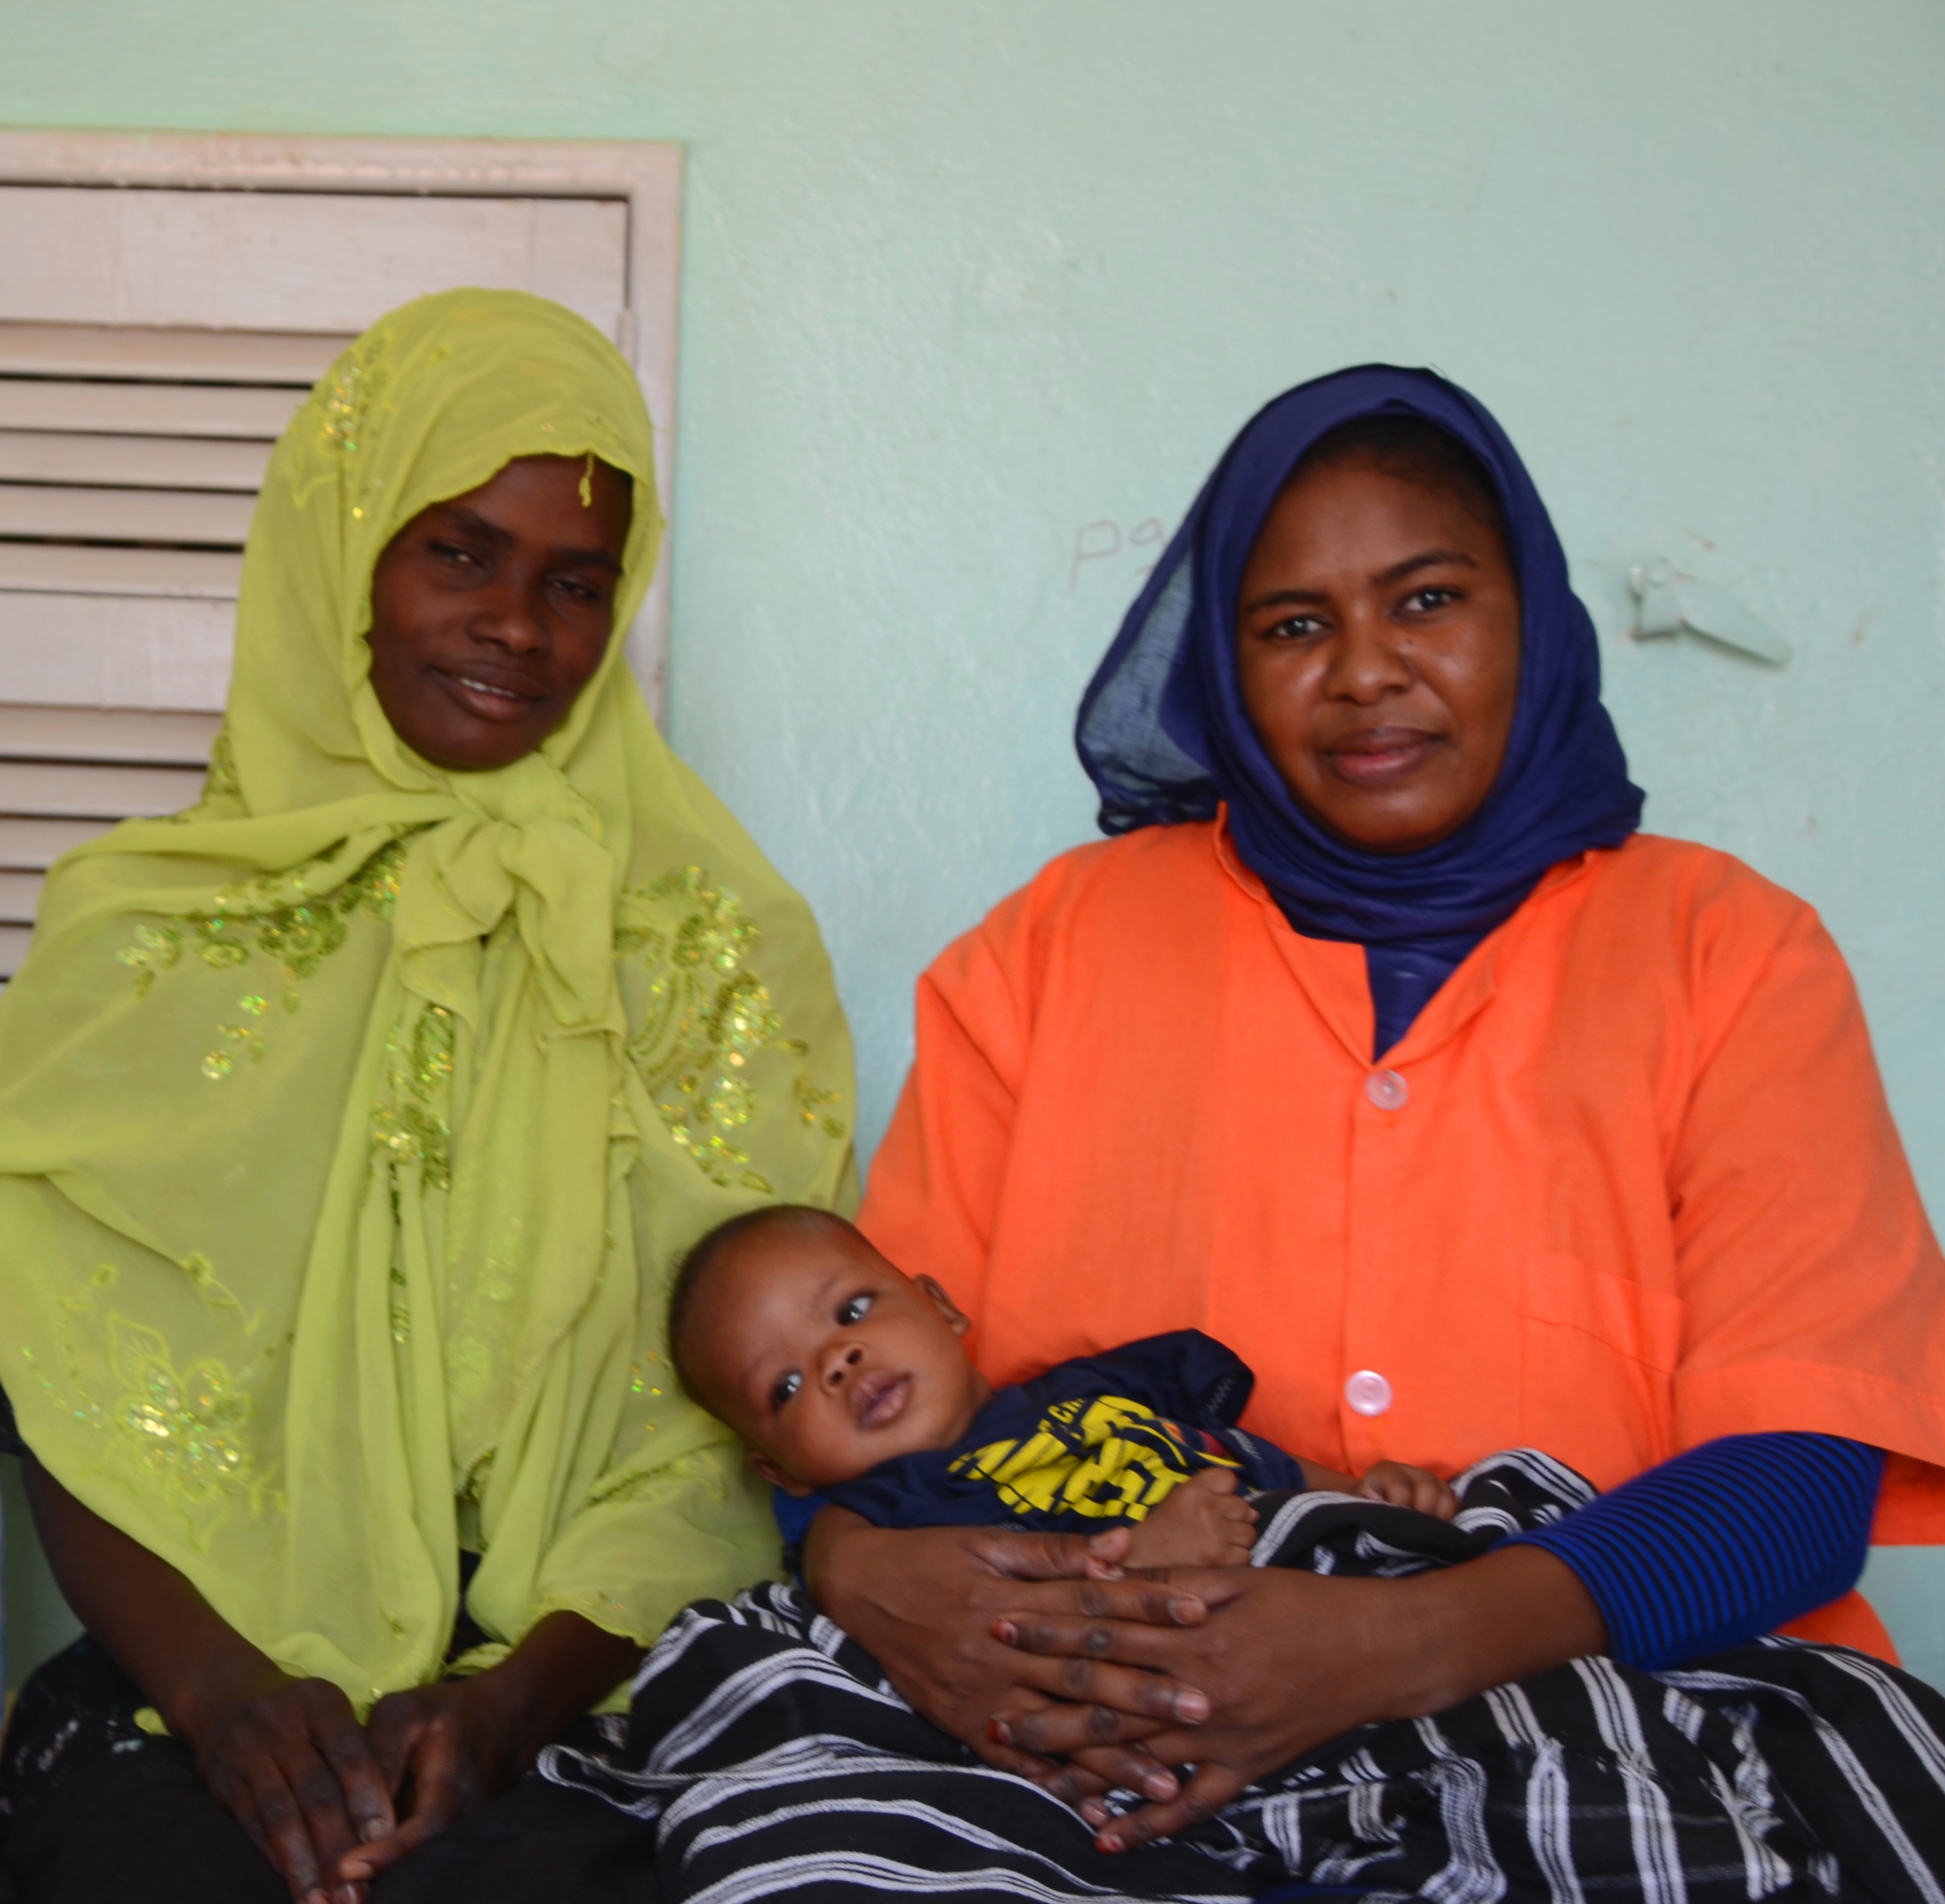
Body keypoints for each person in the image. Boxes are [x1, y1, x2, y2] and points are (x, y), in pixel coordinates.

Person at [794, 366, 1945, 1879]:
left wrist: (1395, 1641)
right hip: (1122, 1730)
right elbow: (861, 1402)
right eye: (1292, 626)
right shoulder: (1050, 952)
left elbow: (1803, 1486)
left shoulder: (1730, 952)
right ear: (1222, 665)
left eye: (1427, 601)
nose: (1364, 673)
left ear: (1530, 620)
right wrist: (866, 1569)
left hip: (1642, 1726)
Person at [0, 289, 856, 1904]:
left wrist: (508, 1702)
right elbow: (61, 1373)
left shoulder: (708, 941)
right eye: (457, 550)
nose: (520, 627)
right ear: (344, 559)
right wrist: (224, 1694)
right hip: (194, 1678)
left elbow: (732, 1416)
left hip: (584, 1689)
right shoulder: (142, 934)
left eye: (577, 582)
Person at [665, 1202, 1458, 1569]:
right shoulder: (889, 1522)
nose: (838, 1362)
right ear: (780, 1471)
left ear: (939, 1305)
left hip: (1314, 1574)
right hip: (1162, 1663)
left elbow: (1251, 1458)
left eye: (853, 1309)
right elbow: (978, 1632)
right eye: (787, 1387)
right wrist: (1138, 1557)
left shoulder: (1103, 1386)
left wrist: (1363, 1492)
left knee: (1506, 1500)